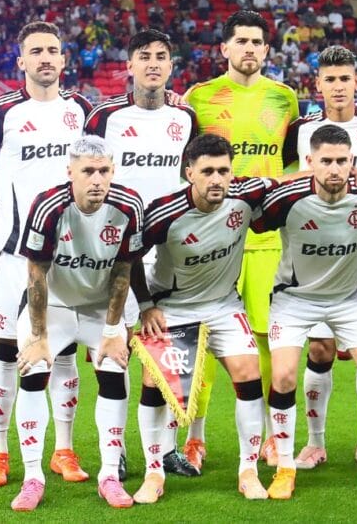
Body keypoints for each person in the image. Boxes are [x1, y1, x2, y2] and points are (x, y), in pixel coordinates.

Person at [132, 133, 311, 503]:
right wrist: (146, 304)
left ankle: (247, 469)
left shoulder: (243, 197)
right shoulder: (164, 212)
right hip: (173, 308)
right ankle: (153, 474)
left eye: (223, 171)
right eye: (207, 171)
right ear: (189, 173)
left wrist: (327, 173)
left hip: (224, 305)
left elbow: (282, 182)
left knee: (249, 374)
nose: (216, 179)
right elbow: (129, 256)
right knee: (154, 385)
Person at [0, 21, 92, 489]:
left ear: (63, 59)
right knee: (5, 350)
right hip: (11, 254)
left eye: (52, 50)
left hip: (68, 255)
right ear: (21, 61)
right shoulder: (0, 112)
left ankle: (64, 449)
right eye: (35, 51)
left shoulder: (81, 110)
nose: (44, 58)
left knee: (64, 352)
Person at [253, 124, 357, 499]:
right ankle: (285, 467)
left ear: (353, 161)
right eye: (327, 162)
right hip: (294, 300)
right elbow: (251, 213)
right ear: (310, 162)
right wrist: (287, 179)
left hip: (349, 298)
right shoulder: (288, 200)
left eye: (342, 161)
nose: (335, 169)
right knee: (283, 376)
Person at [184, 10, 299, 470]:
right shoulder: (200, 98)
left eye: (257, 42)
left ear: (266, 50)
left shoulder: (285, 98)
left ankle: (273, 436)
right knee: (203, 339)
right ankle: (195, 437)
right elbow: (187, 162)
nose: (249, 49)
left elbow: (292, 160)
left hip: (267, 235)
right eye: (241, 41)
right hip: (213, 237)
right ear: (224, 48)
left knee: (267, 339)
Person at [84, 29, 200, 478]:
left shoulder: (185, 119)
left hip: (169, 252)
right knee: (115, 353)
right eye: (144, 56)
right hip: (116, 251)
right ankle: (117, 452)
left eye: (162, 57)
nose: (153, 63)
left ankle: (164, 448)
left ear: (171, 66)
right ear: (128, 66)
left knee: (167, 354)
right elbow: (83, 175)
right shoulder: (104, 117)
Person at [281, 44, 357, 469]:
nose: (337, 86)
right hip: (314, 261)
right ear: (318, 84)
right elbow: (283, 181)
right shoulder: (299, 130)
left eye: (344, 78)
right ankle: (315, 442)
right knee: (320, 351)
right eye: (329, 79)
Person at [11, 136, 143, 511]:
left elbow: (123, 272)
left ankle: (109, 476)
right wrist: (37, 336)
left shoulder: (129, 205)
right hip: (53, 304)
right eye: (88, 171)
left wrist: (114, 332)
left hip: (100, 307)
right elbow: (36, 273)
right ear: (71, 173)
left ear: (113, 171)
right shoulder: (49, 206)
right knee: (34, 367)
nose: (97, 179)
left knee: (115, 369)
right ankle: (33, 477)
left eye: (104, 171)